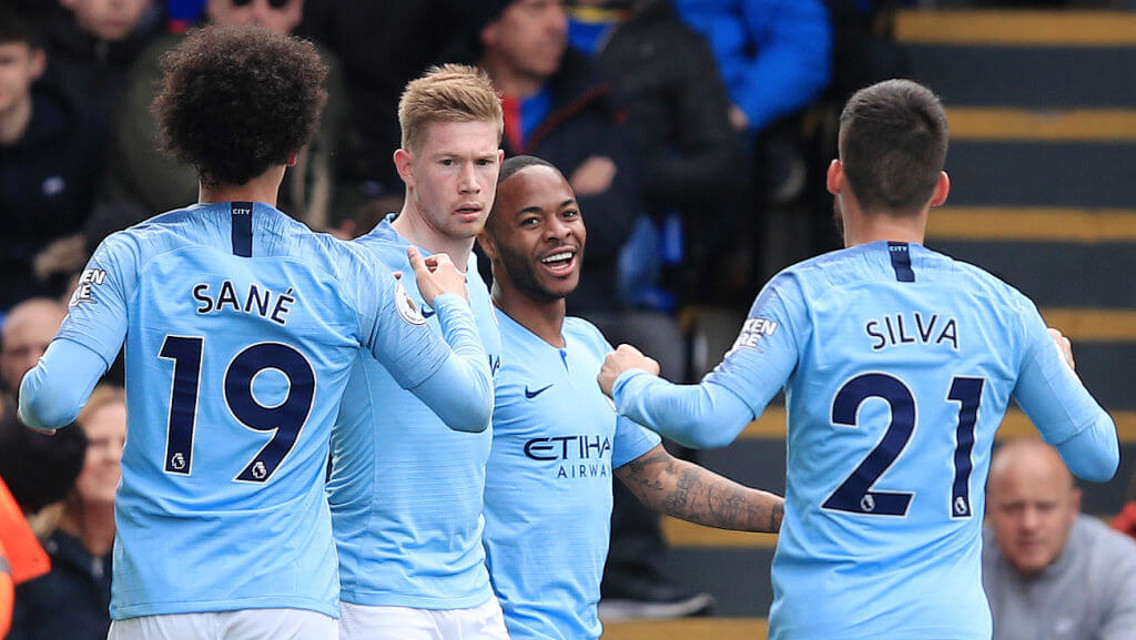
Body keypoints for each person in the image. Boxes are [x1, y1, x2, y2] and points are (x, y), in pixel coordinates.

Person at [597, 78, 1120, 640]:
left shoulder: (802, 294)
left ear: (835, 176)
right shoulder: (1003, 308)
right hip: (948, 624)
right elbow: (1098, 457)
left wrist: (630, 383)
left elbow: (711, 419)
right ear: (939, 188)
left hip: (827, 619)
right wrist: (1061, 375)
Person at [18, 25, 492, 640]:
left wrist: (36, 389)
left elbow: (48, 402)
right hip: (289, 598)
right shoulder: (348, 271)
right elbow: (471, 404)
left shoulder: (132, 255)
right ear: (295, 148)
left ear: (185, 142)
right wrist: (453, 305)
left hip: (162, 594)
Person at [478, 154, 784, 639]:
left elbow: (658, 476)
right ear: (487, 239)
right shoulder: (475, 347)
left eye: (569, 213)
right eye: (531, 220)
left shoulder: (589, 345)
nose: (559, 231)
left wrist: (789, 517)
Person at [327, 64, 509, 639]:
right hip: (376, 594)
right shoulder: (358, 270)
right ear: (406, 166)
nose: (471, 183)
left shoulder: (478, 276)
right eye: (449, 162)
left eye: (484, 162)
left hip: (474, 592)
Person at [0, 7, 104, 310]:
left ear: (36, 63)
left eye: (6, 61)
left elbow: (106, 211)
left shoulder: (80, 134)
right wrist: (36, 258)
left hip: (63, 302)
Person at [983, 438, 1136, 640]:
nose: (1029, 524)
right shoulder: (959, 565)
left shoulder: (1121, 566)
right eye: (1013, 507)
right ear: (988, 509)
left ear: (1073, 506)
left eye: (1045, 507)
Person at [9, 384, 127, 640]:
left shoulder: (157, 558)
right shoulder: (30, 552)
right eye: (97, 443)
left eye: (126, 442)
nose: (113, 455)